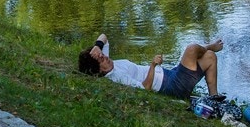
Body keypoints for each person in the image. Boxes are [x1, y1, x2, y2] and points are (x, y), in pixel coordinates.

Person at [78, 33, 223, 99]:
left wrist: (97, 47)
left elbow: (104, 36)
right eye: (101, 59)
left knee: (209, 57)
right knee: (192, 49)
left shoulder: (110, 64)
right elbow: (144, 88)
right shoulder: (116, 77)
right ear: (98, 71)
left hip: (170, 74)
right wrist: (153, 66)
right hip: (171, 87)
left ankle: (214, 98)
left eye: (102, 55)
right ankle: (211, 46)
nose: (106, 57)